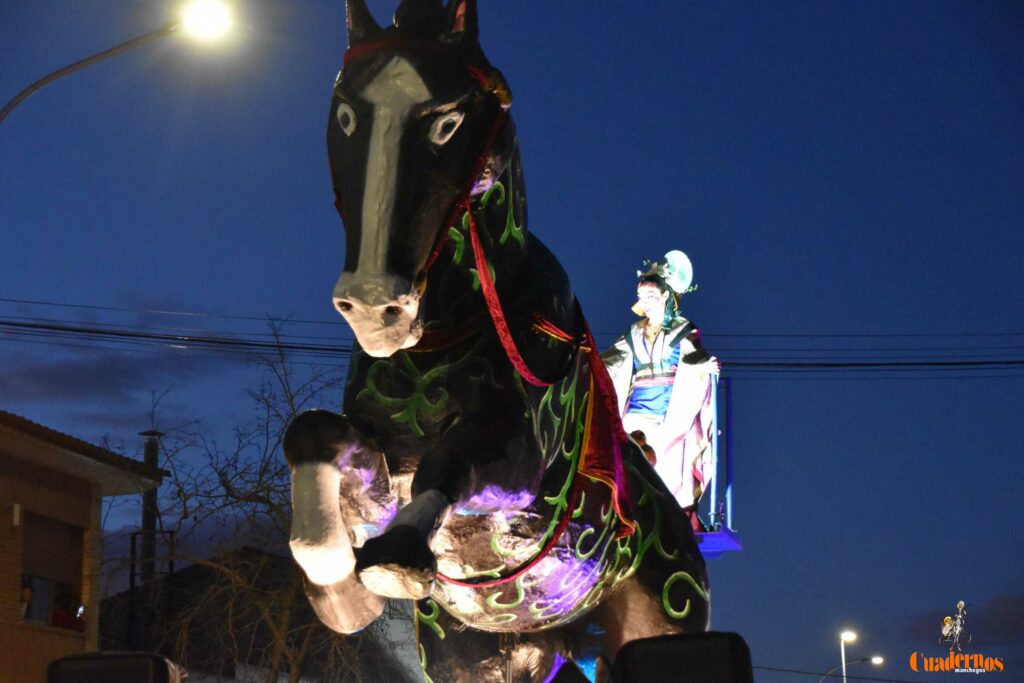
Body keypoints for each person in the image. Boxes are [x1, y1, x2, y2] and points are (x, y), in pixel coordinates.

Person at [602, 251, 720, 531]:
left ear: (666, 296)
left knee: (672, 461)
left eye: (652, 296)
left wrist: (707, 367)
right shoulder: (633, 333)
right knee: (628, 455)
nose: (645, 302)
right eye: (642, 297)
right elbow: (613, 361)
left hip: (672, 410)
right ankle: (626, 515)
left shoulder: (683, 330)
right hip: (637, 411)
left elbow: (694, 360)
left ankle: (675, 520)